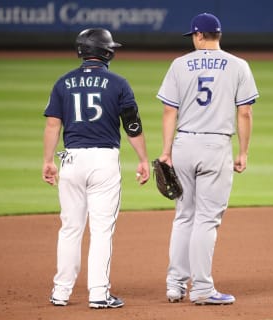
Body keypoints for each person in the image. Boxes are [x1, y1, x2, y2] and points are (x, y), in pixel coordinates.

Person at [42, 28, 150, 309]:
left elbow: (53, 124)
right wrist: (142, 159)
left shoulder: (63, 83)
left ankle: (61, 292)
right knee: (101, 230)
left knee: (70, 228)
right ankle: (99, 293)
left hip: (71, 160)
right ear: (106, 52)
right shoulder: (118, 83)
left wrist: (48, 160)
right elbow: (132, 125)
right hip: (103, 162)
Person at [156, 13, 259, 305]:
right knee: (206, 219)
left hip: (184, 143)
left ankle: (175, 285)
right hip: (216, 146)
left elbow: (168, 112)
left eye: (193, 36)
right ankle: (201, 288)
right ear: (218, 35)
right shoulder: (239, 65)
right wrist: (243, 152)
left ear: (199, 36)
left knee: (184, 216)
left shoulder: (179, 64)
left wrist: (166, 151)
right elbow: (245, 112)